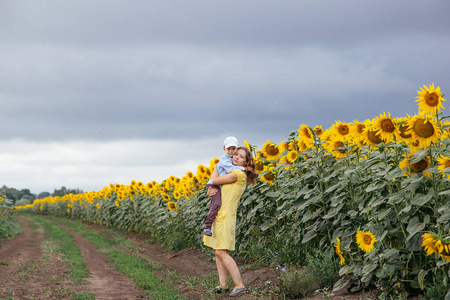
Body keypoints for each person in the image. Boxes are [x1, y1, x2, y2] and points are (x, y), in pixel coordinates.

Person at [203, 146, 258, 297]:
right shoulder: (233, 172)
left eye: (241, 157)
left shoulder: (238, 174)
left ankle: (240, 285)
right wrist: (211, 191)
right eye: (235, 155)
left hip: (225, 217)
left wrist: (216, 166)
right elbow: (217, 187)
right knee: (218, 251)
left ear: (246, 163)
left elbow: (215, 179)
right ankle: (223, 285)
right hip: (220, 215)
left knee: (221, 251)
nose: (236, 157)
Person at [203, 136, 245, 237]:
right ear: (224, 149)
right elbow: (230, 169)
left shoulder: (233, 159)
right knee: (216, 204)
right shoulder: (225, 160)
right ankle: (208, 226)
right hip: (213, 184)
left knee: (218, 203)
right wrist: (243, 168)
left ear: (237, 149)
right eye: (228, 149)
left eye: (233, 149)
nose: (231, 151)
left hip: (218, 185)